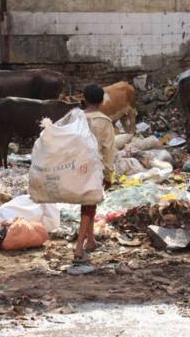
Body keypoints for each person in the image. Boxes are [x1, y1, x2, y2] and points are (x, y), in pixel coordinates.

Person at [74, 84, 115, 262]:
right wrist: (109, 173)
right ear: (101, 101)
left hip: (76, 168)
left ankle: (91, 240)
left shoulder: (76, 119)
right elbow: (108, 149)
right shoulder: (105, 121)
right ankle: (78, 250)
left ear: (84, 99)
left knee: (88, 204)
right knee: (88, 206)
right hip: (94, 168)